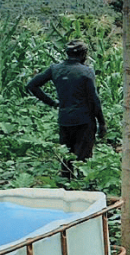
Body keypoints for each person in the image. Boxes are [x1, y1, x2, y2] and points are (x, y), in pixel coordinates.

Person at [27, 40, 107, 176]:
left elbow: (32, 85)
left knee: (66, 160)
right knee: (83, 161)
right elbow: (94, 100)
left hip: (65, 120)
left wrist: (52, 103)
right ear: (84, 54)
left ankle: (65, 185)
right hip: (84, 121)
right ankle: (81, 185)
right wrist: (102, 122)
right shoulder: (86, 71)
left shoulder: (55, 69)